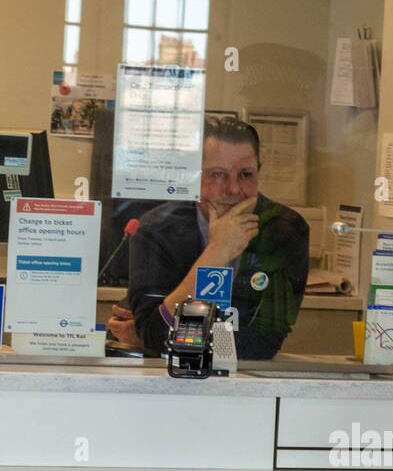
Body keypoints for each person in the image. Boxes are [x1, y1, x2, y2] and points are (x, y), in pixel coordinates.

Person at [110, 116, 309, 359]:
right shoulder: (157, 229)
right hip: (168, 383)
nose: (234, 189)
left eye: (246, 174)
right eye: (218, 174)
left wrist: (168, 337)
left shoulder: (285, 229)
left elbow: (263, 344)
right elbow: (156, 333)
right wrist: (217, 253)